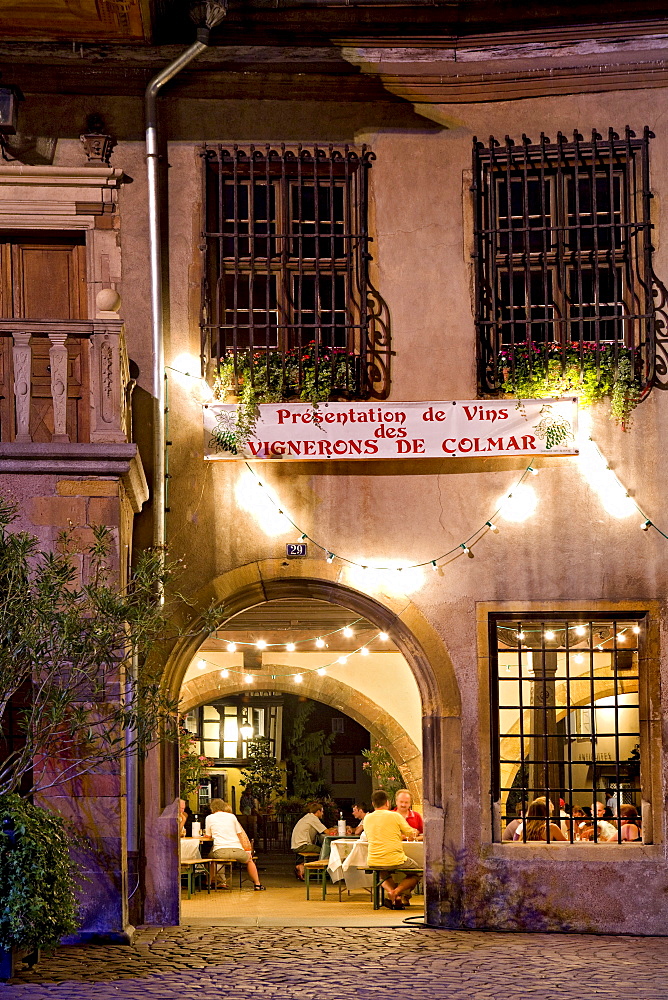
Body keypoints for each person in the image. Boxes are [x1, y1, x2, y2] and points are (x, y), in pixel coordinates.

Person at [363, 789, 420, 909]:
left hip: (374, 858)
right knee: (417, 872)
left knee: (381, 873)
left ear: (373, 804)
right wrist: (414, 832)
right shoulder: (395, 816)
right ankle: (396, 892)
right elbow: (410, 833)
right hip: (395, 858)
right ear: (388, 803)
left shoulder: (367, 818)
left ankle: (393, 894)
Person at [205, 798, 266, 891]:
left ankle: (209, 883)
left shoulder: (209, 818)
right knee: (249, 861)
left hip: (220, 851)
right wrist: (247, 850)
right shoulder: (232, 817)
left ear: (212, 808)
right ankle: (257, 884)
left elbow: (208, 835)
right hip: (237, 850)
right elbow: (239, 833)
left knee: (211, 860)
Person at [291, 802, 337, 880]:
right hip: (303, 845)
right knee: (325, 852)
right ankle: (306, 869)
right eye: (322, 811)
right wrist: (337, 829)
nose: (322, 813)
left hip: (297, 844)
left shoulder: (307, 817)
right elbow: (327, 831)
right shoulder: (313, 819)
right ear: (318, 811)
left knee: (321, 852)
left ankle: (305, 867)